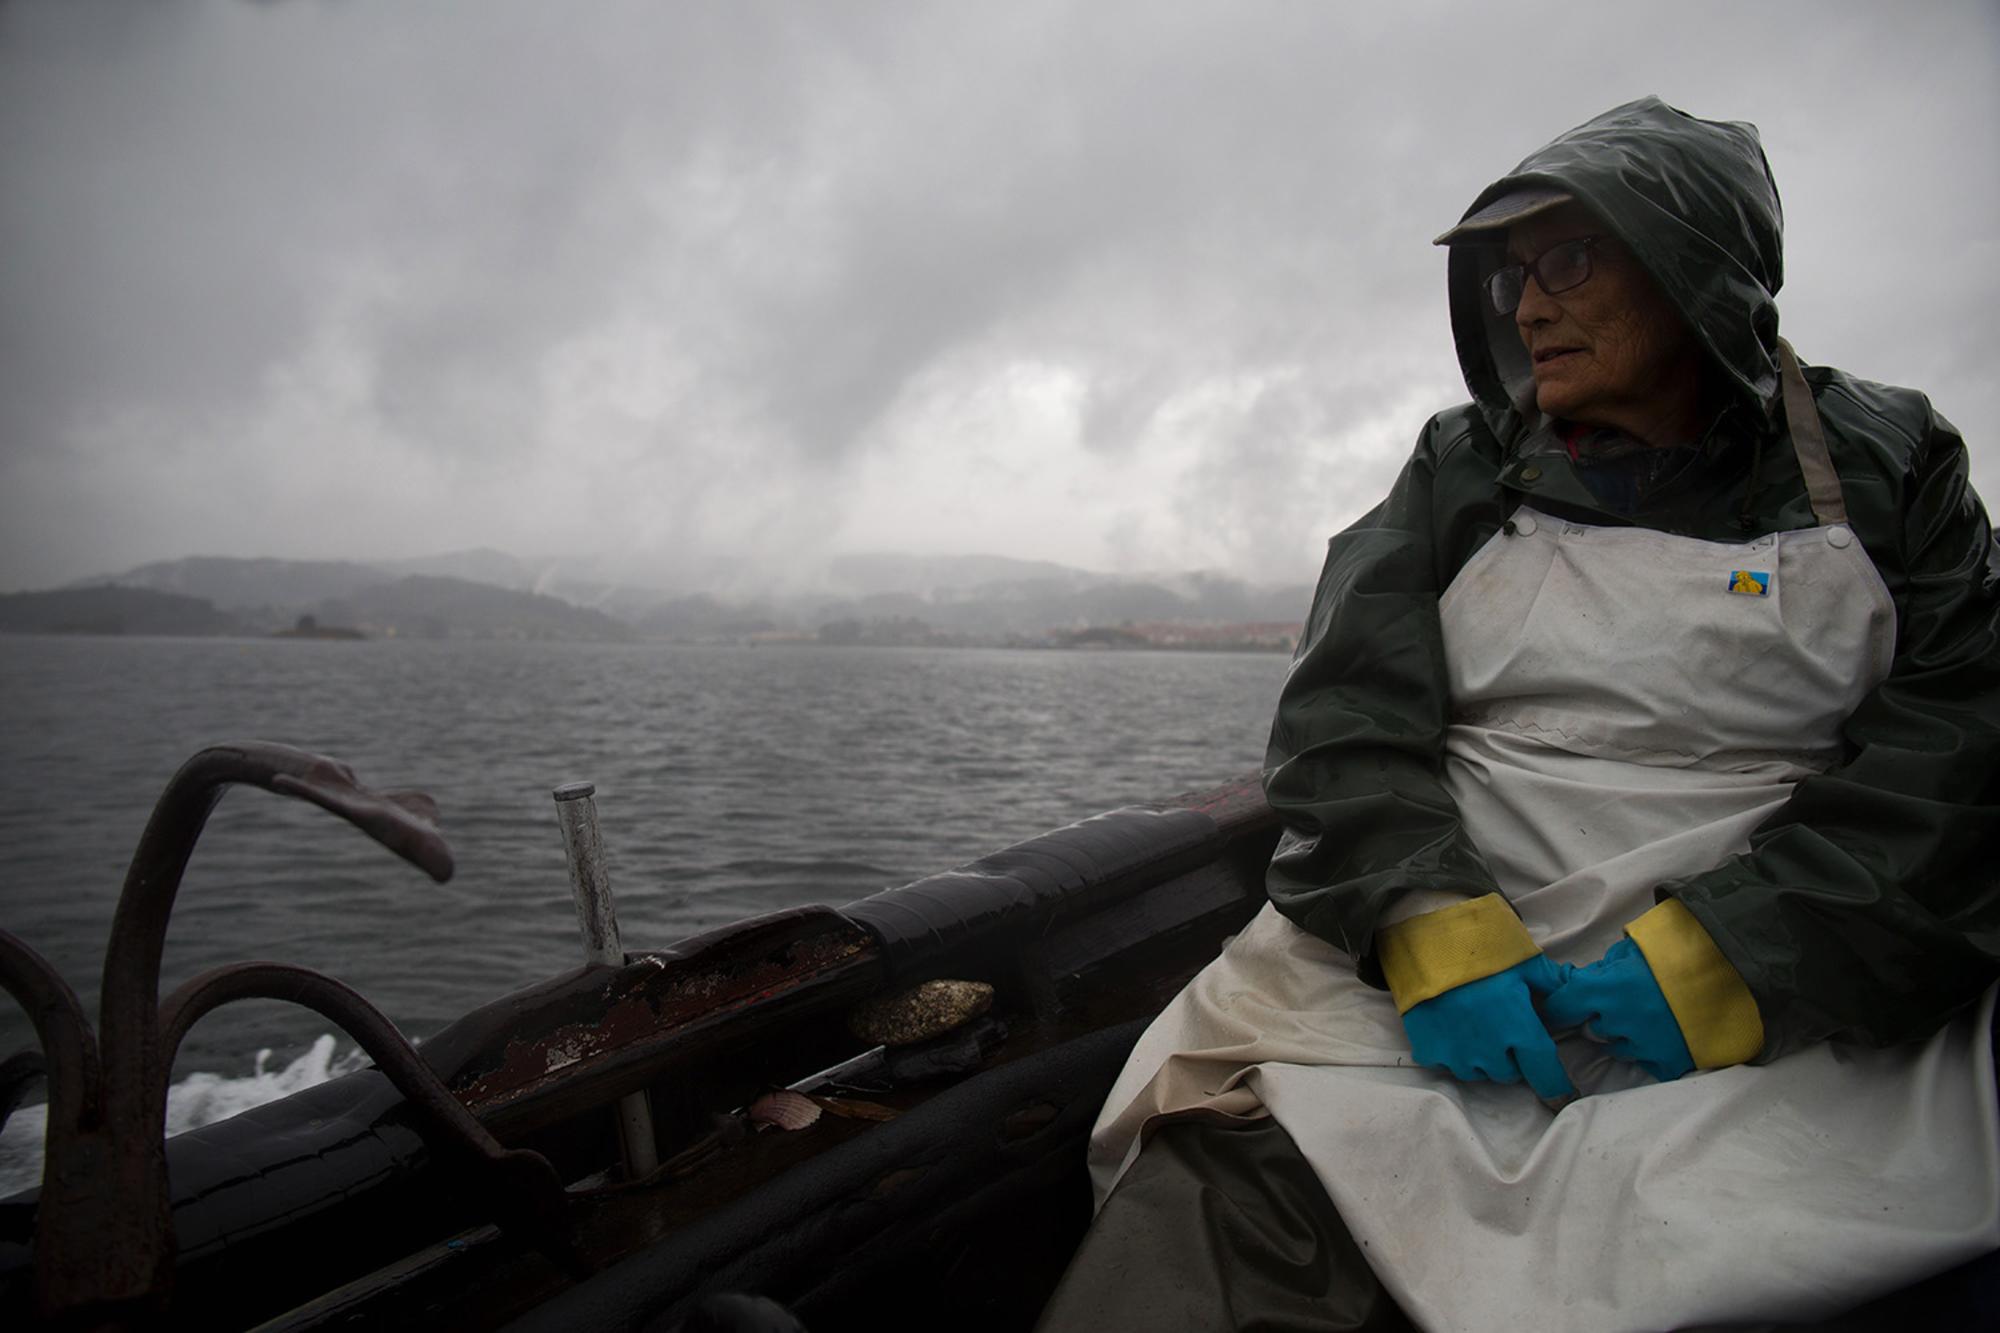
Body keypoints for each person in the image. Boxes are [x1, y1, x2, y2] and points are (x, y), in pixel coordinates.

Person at [1036, 98, 2000, 1332]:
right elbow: (1344, 717)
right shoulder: (1458, 464)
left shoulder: (1892, 462)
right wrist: (1423, 918)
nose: (1526, 305)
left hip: (1788, 959)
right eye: (1509, 273)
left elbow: (1956, 762)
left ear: (1695, 269)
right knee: (1230, 1177)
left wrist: (1735, 958)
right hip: (1441, 945)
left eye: (1568, 259)